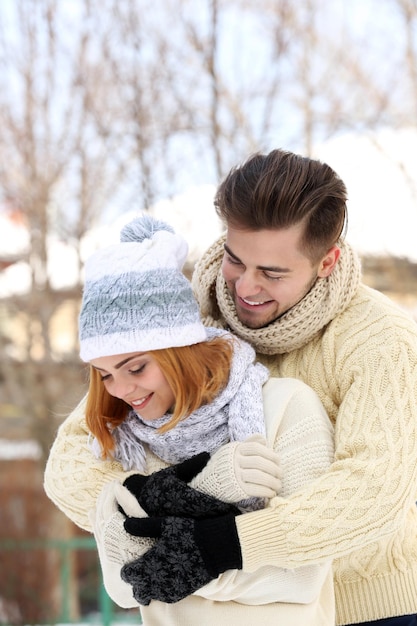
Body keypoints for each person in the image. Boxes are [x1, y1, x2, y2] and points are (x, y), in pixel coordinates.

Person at [43, 147, 417, 626]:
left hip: (370, 609)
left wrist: (224, 546)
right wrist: (152, 503)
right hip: (230, 610)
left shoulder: (380, 339)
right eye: (236, 260)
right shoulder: (187, 322)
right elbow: (76, 454)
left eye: (272, 273)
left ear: (327, 262)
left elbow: (376, 488)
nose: (245, 287)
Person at [45, 213, 335, 625]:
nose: (122, 390)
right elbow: (123, 586)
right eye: (105, 374)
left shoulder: (287, 408)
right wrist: (198, 494)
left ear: (178, 349)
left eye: (136, 367)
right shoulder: (127, 439)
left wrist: (183, 559)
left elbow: (302, 572)